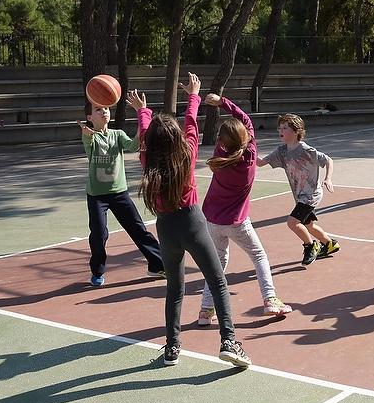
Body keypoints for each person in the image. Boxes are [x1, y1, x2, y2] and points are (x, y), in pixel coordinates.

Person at [131, 75, 251, 369]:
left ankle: (172, 347)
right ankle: (228, 341)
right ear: (177, 140)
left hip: (166, 228)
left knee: (175, 287)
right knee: (217, 282)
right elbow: (191, 123)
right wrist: (194, 96)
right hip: (192, 223)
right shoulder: (187, 153)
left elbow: (148, 137)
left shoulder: (148, 160)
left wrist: (142, 112)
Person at [196, 93, 291, 327]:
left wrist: (216, 105)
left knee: (216, 264)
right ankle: (270, 300)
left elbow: (241, 126)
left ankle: (206, 311)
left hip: (213, 221)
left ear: (221, 142)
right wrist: (223, 102)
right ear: (245, 139)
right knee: (258, 255)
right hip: (237, 222)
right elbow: (246, 119)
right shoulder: (249, 157)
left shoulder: (219, 158)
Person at [78, 101, 164, 287]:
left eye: (106, 109)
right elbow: (89, 144)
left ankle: (157, 265)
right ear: (90, 118)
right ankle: (98, 272)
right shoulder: (90, 137)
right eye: (98, 110)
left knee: (138, 229)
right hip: (97, 196)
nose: (104, 112)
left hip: (119, 193)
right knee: (99, 234)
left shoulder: (117, 135)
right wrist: (86, 134)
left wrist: (141, 121)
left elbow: (133, 146)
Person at [258, 113, 337, 266]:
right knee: (308, 225)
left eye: (285, 128)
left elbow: (328, 160)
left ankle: (311, 246)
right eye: (279, 127)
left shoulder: (306, 150)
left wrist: (328, 178)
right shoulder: (281, 151)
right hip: (299, 196)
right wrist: (246, 149)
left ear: (296, 131)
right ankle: (329, 244)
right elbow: (260, 163)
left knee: (292, 223)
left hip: (311, 195)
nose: (280, 130)